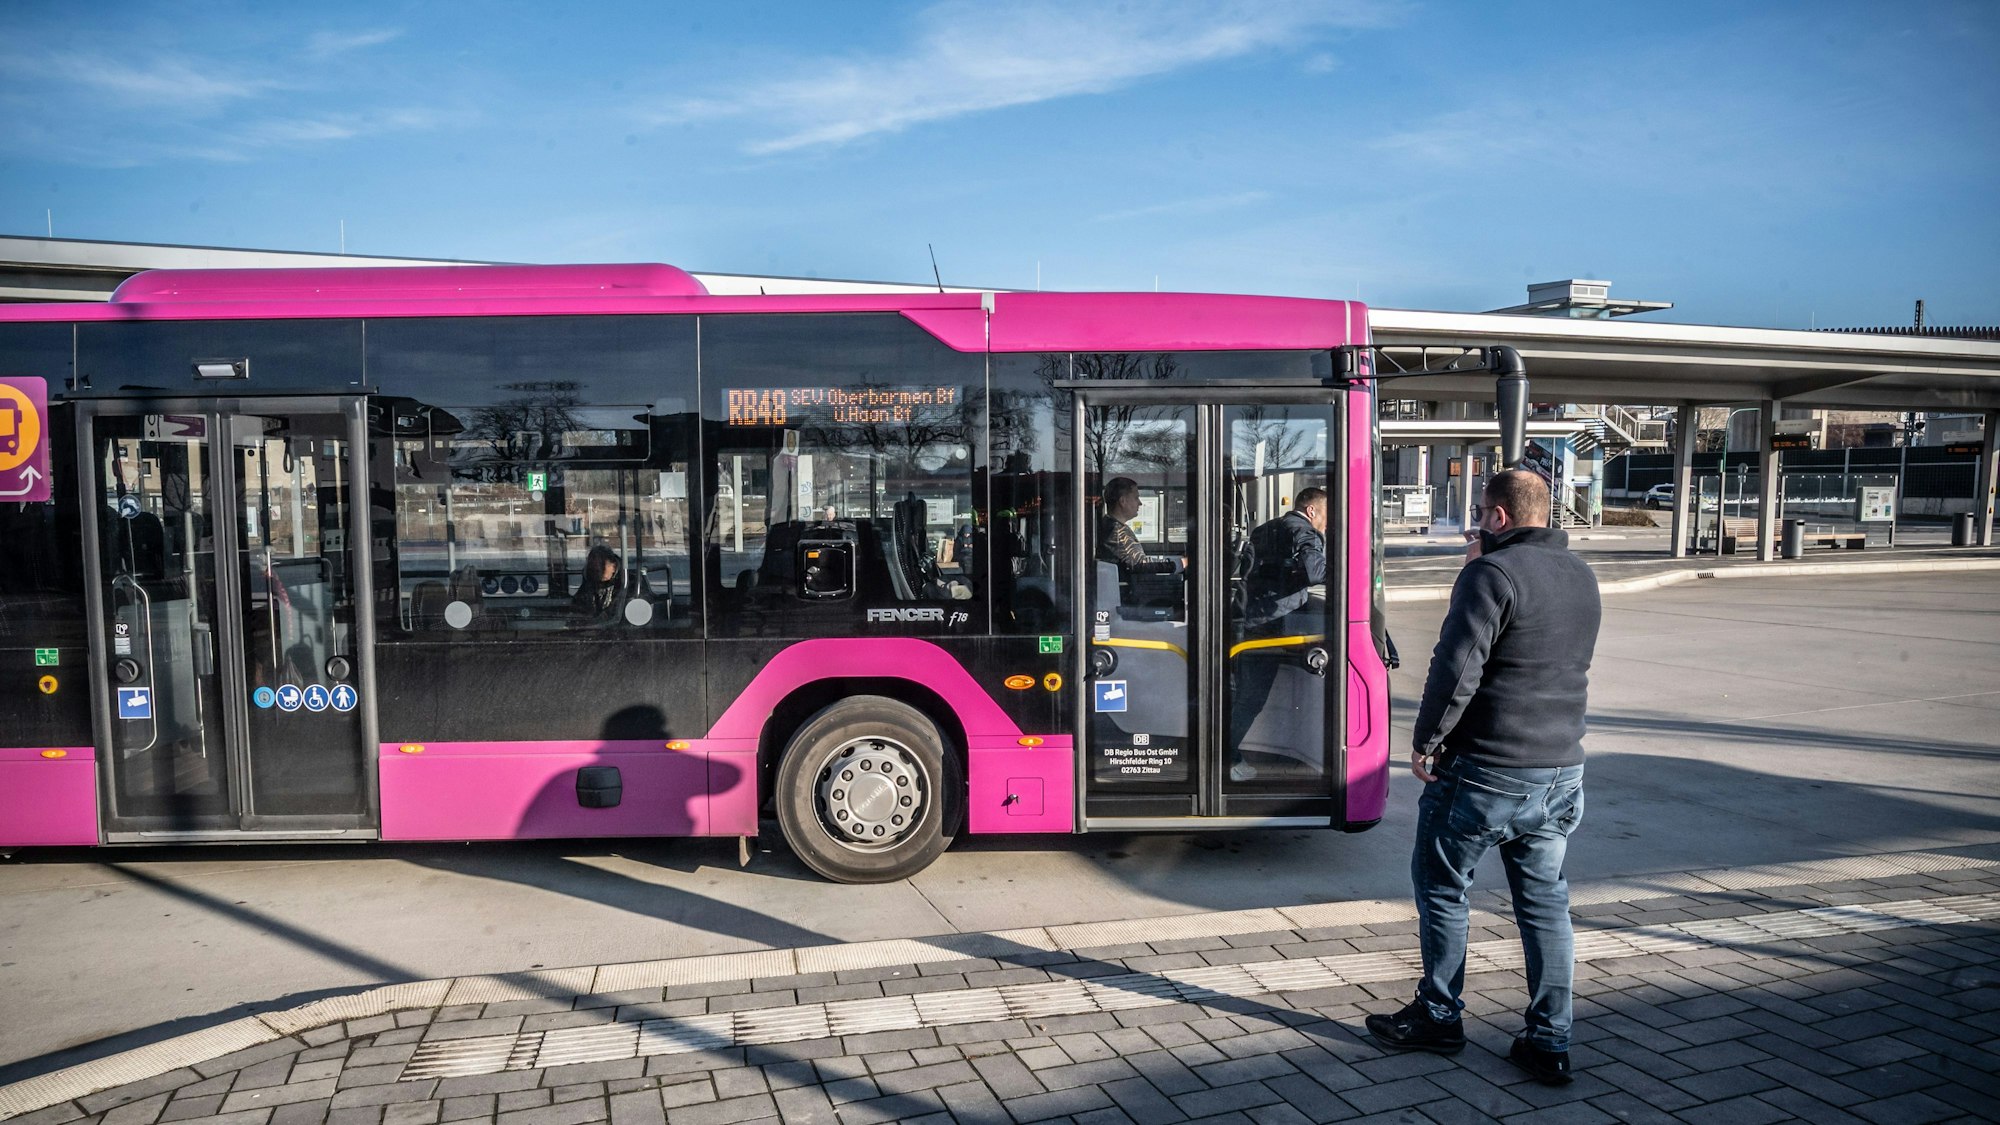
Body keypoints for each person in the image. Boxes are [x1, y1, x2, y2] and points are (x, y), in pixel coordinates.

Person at [1365, 469, 1602, 1086]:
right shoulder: (1582, 575)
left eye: (1478, 514)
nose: (1473, 524)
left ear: (1498, 517)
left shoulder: (1491, 575)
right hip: (1561, 773)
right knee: (1545, 905)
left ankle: (1440, 1015)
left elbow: (1456, 668)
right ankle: (1549, 1040)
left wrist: (1426, 743)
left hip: (1486, 773)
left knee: (1444, 890)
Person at [1242, 486, 1327, 631]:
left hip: (1253, 614)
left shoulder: (1264, 529)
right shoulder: (1305, 531)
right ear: (1311, 511)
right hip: (1282, 619)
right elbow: (1315, 572)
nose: (1327, 523)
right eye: (1327, 514)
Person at [1097, 476, 1180, 589]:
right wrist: (1178, 564)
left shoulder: (1112, 526)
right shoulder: (1116, 532)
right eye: (1136, 498)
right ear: (1123, 501)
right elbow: (1140, 565)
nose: (1140, 503)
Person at [571, 544, 641, 625]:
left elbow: (624, 611)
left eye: (602, 566)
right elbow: (578, 609)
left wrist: (597, 624)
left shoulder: (630, 583)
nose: (598, 571)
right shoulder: (589, 583)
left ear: (613, 566)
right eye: (595, 568)